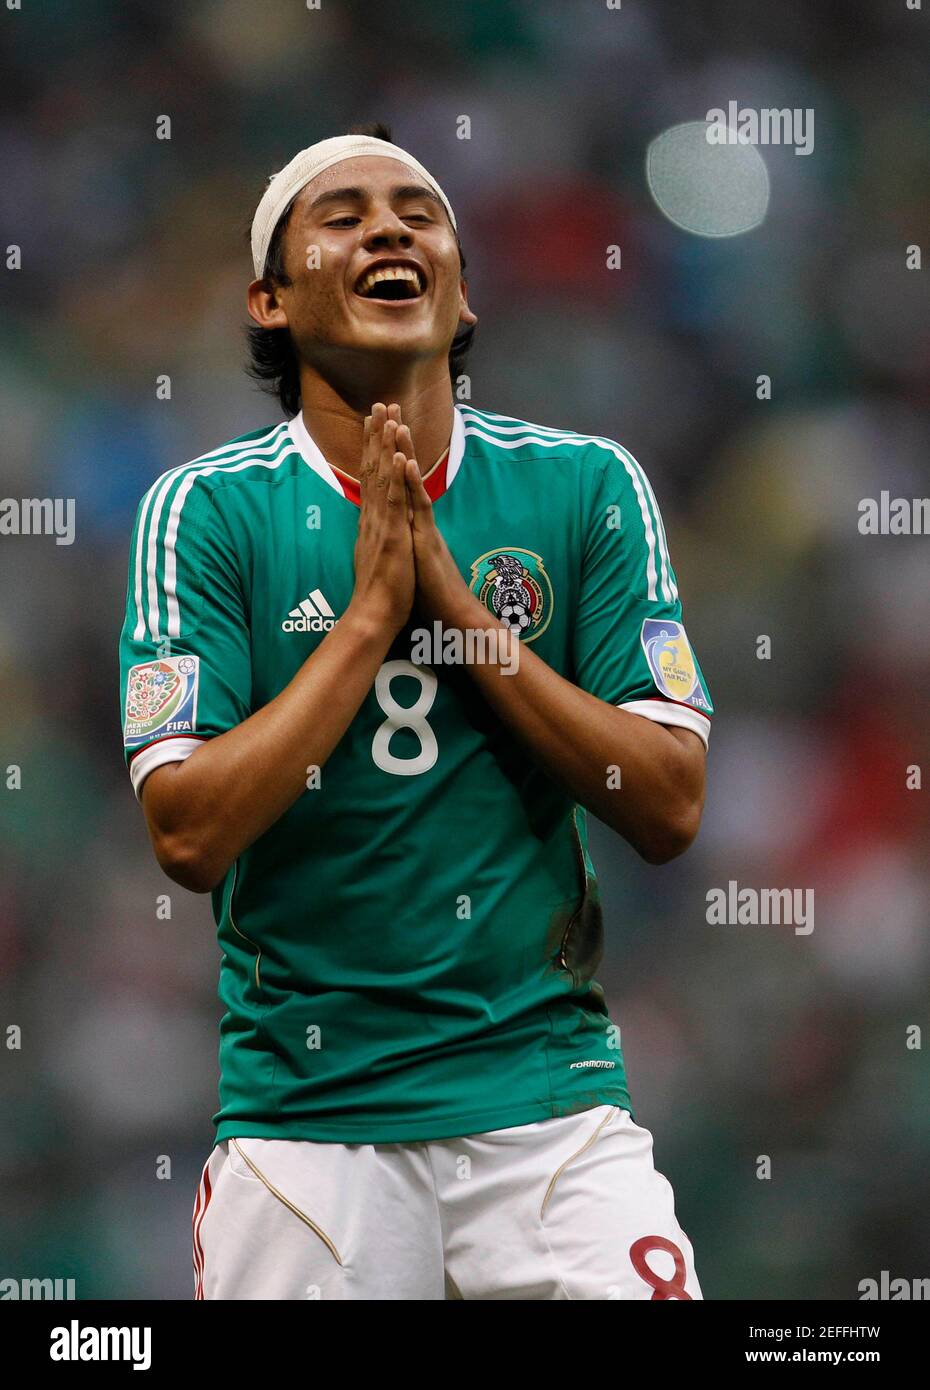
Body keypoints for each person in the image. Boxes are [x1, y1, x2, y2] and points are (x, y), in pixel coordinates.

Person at [118, 122, 713, 1300]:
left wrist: (458, 616)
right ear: (270, 299)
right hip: (307, 1126)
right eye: (341, 217)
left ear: (462, 291)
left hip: (548, 1110)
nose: (389, 227)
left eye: (417, 212)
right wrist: (366, 622)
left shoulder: (586, 485)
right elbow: (186, 834)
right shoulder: (205, 511)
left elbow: (668, 801)